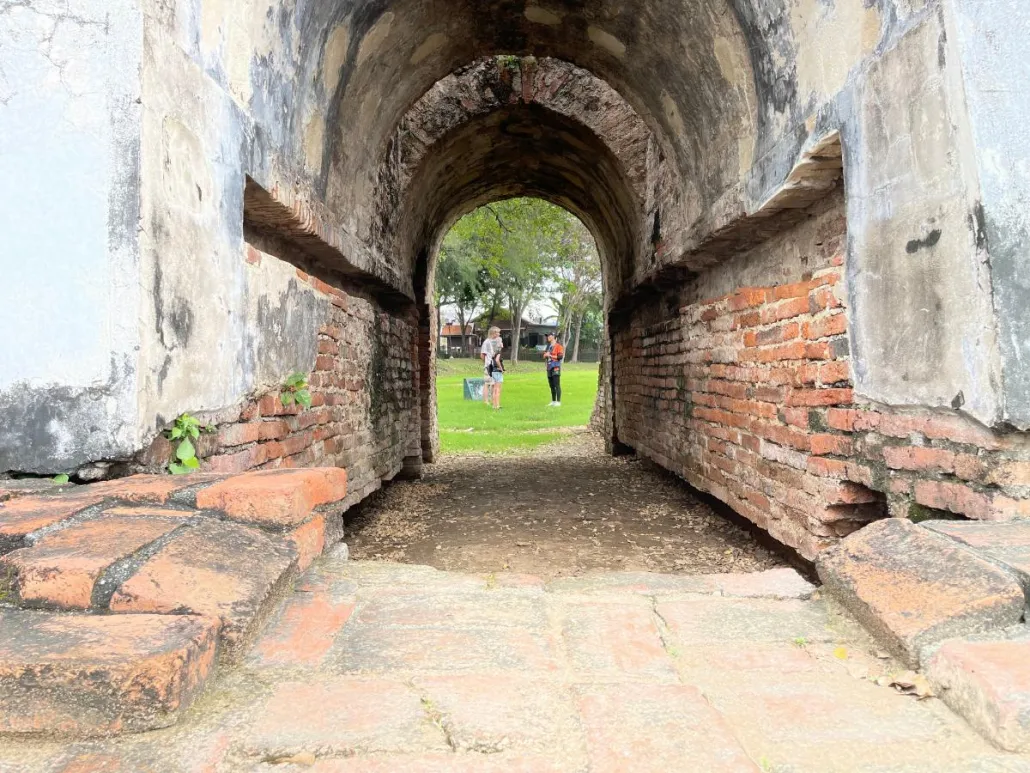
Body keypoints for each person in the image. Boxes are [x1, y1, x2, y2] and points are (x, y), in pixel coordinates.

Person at [480, 327, 503, 406]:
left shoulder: (496, 341)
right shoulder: (486, 342)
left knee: (494, 384)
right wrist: (487, 363)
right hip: (489, 366)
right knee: (487, 383)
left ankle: (494, 402)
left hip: (494, 366)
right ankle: (486, 401)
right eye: (498, 332)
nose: (499, 334)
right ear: (493, 333)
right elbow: (482, 355)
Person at [543, 332, 564, 406]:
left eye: (550, 336)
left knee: (556, 384)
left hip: (555, 367)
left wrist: (550, 356)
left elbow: (560, 357)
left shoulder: (559, 346)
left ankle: (558, 402)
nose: (548, 337)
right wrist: (546, 355)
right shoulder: (548, 346)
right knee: (551, 385)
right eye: (547, 336)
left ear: (554, 337)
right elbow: (544, 355)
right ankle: (553, 401)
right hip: (549, 367)